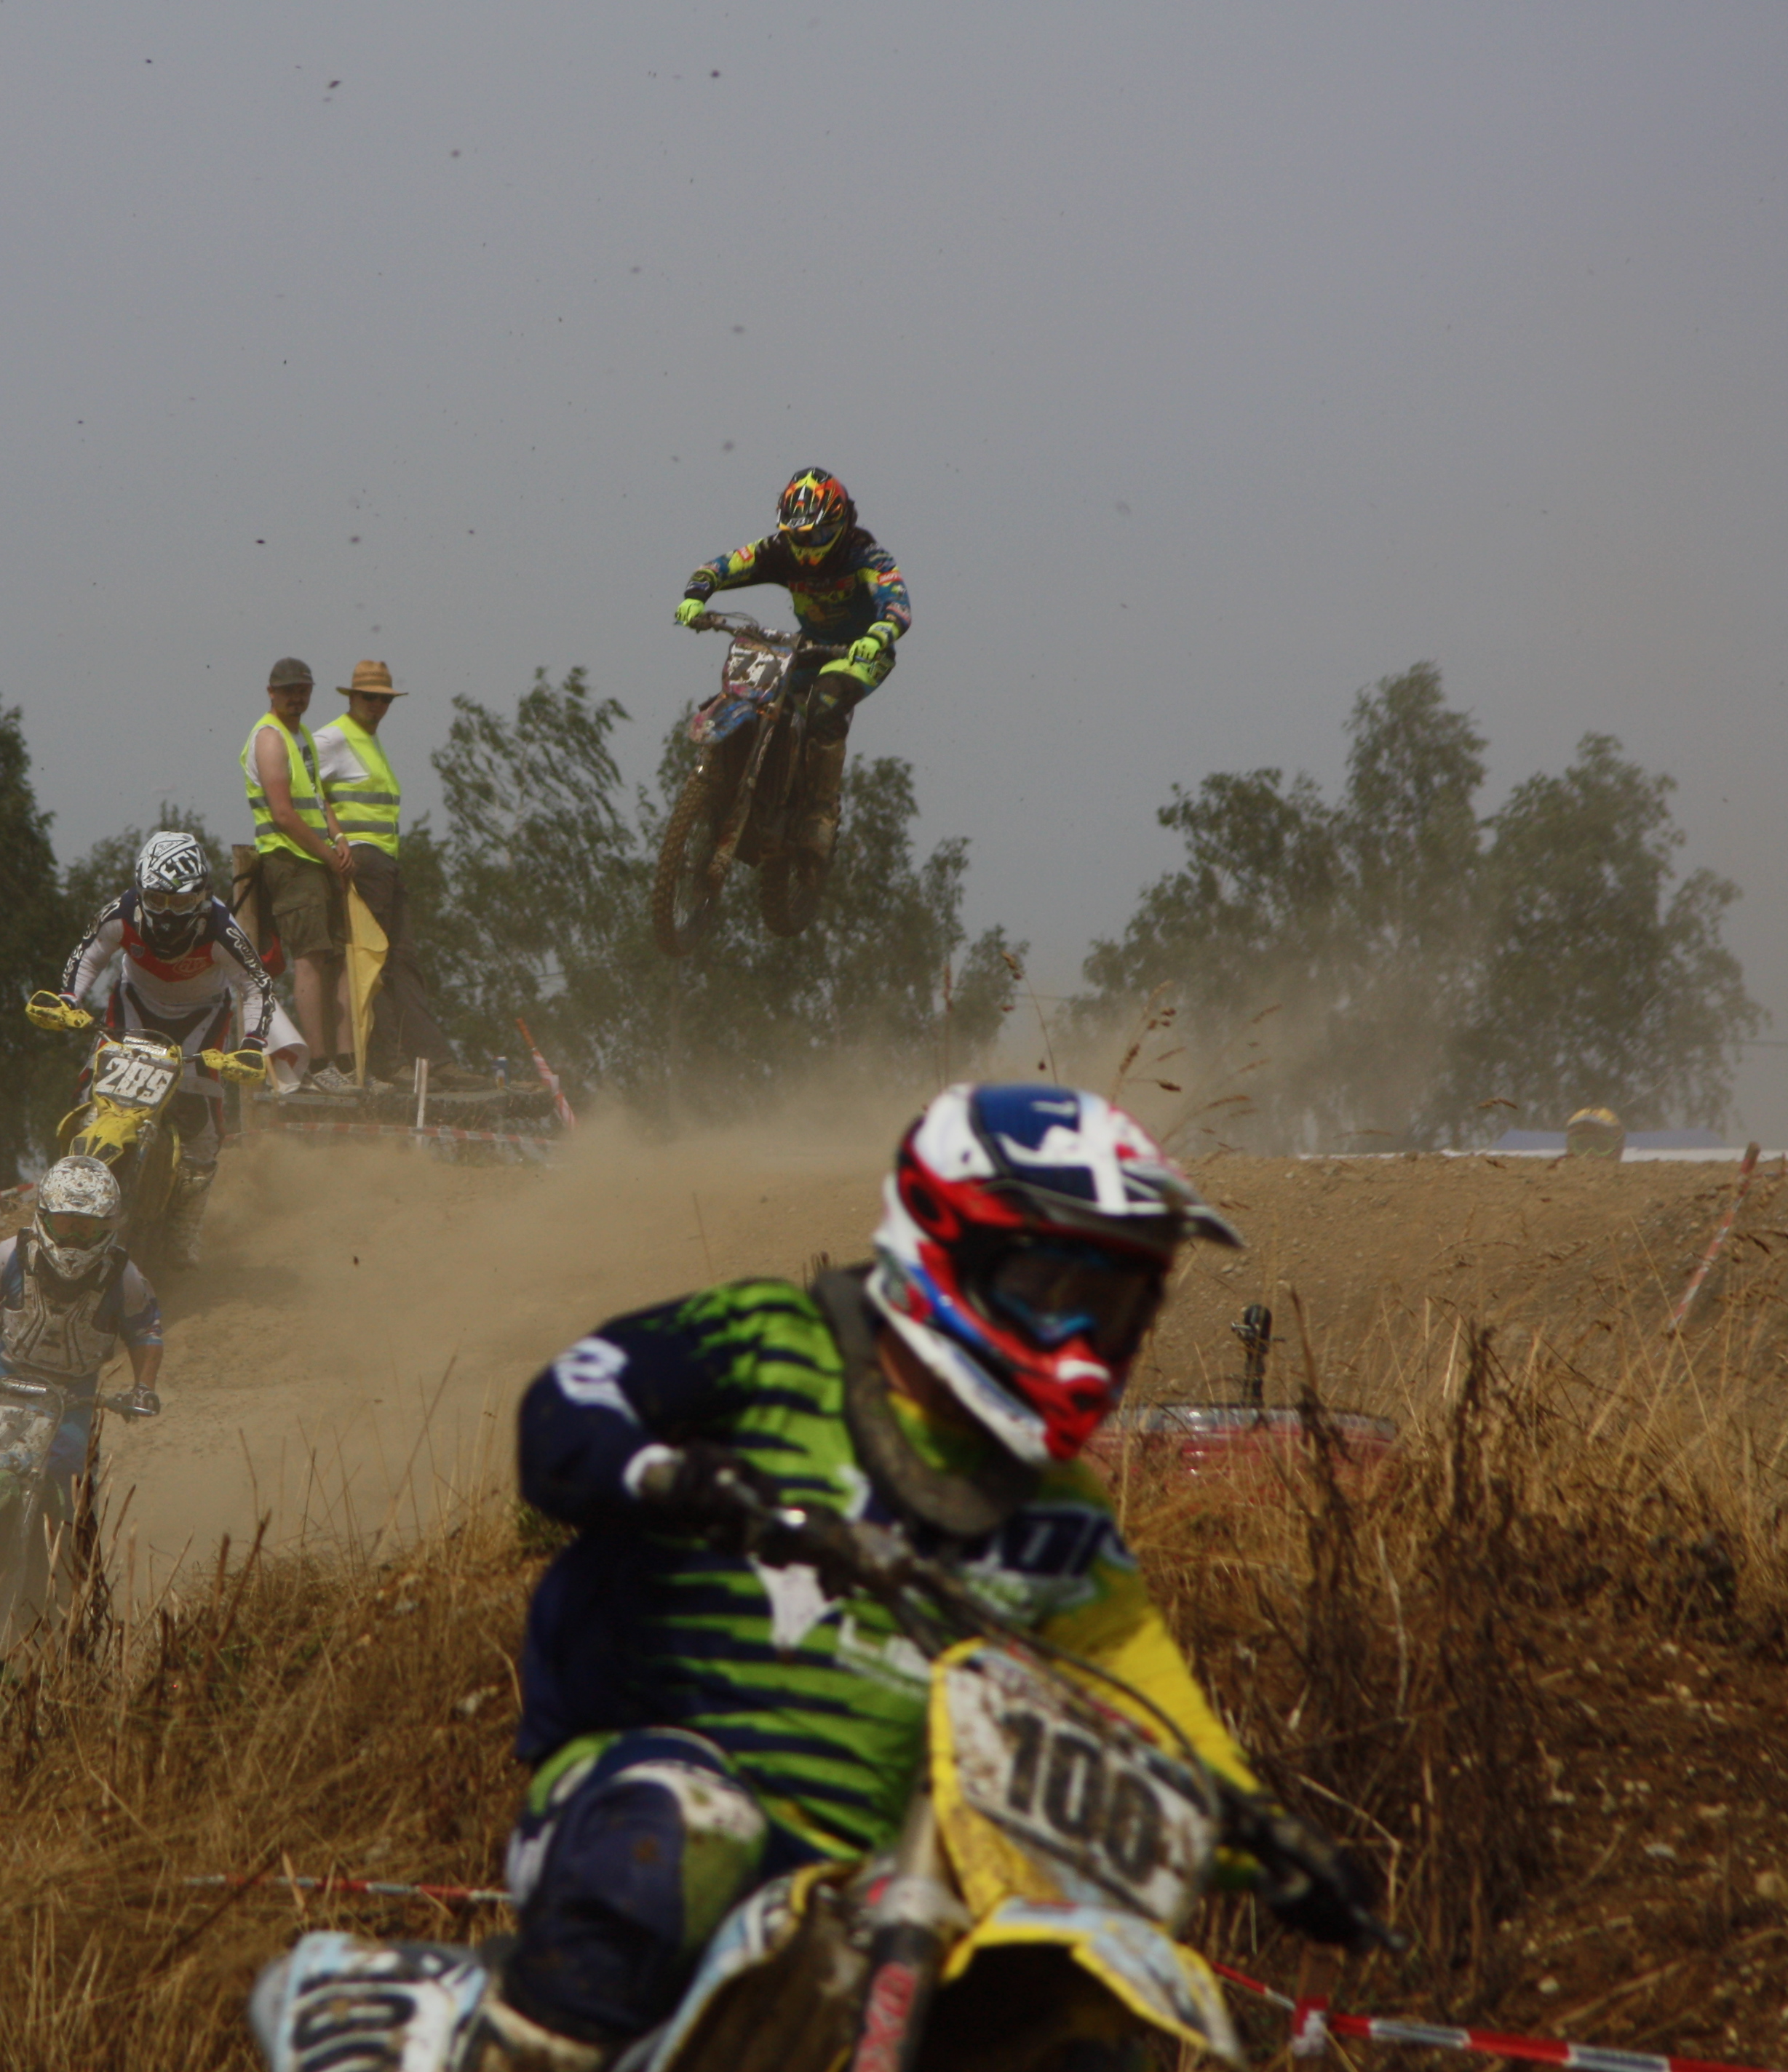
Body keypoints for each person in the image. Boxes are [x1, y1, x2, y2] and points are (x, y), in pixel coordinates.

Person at [475, 1085, 1370, 2068]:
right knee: (689, 1832)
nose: (1084, 1339)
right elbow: (574, 1396)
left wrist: (1270, 1841)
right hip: (631, 1808)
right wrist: (668, 1473)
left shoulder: (1058, 1513)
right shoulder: (775, 1343)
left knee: (1070, 2016)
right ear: (948, 1244)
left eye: (1117, 1307)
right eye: (1053, 1289)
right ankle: (514, 2051)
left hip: (882, 1882)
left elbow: (1143, 1693)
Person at [0, 1154, 164, 1574]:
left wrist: (144, 1388)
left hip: (72, 1395)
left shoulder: (125, 1278)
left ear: (108, 1227)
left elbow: (146, 1331)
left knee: (76, 1488)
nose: (74, 1238)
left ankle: (77, 1584)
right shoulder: (8, 1256)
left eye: (88, 1228)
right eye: (65, 1224)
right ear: (43, 1216)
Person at [39, 829, 274, 1267]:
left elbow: (255, 984)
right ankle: (61, 1196)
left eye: (180, 903)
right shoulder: (121, 912)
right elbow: (89, 954)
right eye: (157, 899)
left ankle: (185, 1228)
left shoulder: (222, 928)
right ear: (140, 891)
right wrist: (68, 1000)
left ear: (202, 895)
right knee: (90, 1097)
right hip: (135, 1005)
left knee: (203, 1128)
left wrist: (251, 1045)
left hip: (201, 1017)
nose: (167, 912)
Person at [673, 467, 910, 861]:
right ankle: (738, 786)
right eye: (800, 535)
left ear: (840, 523)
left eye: (817, 534)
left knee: (824, 705)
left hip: (861, 654)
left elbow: (897, 604)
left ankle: (820, 812)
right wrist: (696, 597)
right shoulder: (779, 551)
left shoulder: (865, 555)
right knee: (754, 694)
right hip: (808, 649)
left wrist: (877, 635)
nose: (808, 544)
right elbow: (721, 566)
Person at [309, 659, 467, 1083]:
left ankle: (432, 1060)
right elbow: (301, 787)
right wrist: (336, 840)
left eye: (385, 700)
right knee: (372, 963)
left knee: (402, 961)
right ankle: (389, 1063)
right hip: (360, 863)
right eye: (369, 698)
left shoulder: (368, 741)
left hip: (384, 864)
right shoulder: (332, 738)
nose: (377, 706)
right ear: (352, 697)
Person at [242, 656, 362, 1093]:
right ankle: (319, 1064)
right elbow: (283, 814)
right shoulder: (270, 738)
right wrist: (330, 856)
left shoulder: (301, 736)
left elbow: (315, 794)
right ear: (271, 693)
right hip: (290, 860)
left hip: (315, 858)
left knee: (337, 958)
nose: (297, 697)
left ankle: (346, 1062)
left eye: (303, 690)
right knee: (311, 958)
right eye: (289, 690)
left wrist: (339, 836)